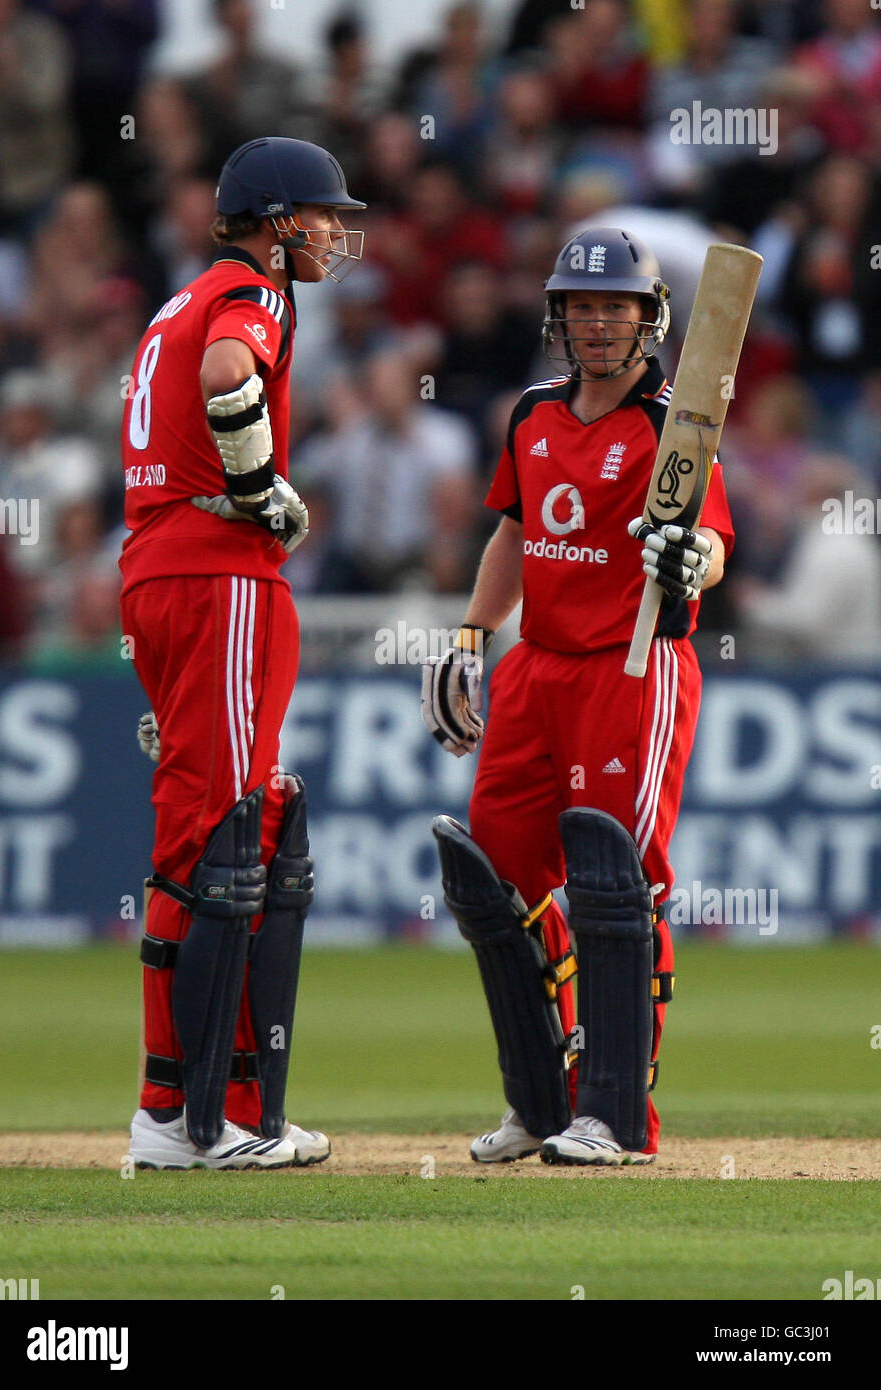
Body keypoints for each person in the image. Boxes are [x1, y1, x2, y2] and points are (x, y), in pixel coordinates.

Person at [422, 227, 734, 1166]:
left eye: (617, 308)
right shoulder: (530, 414)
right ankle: (542, 1098)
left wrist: (691, 560)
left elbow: (711, 542)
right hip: (537, 670)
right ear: (559, 318)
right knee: (499, 882)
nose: (597, 325)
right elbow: (516, 536)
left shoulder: (673, 423)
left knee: (617, 884)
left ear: (650, 319)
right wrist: (473, 634)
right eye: (581, 307)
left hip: (633, 665)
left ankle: (617, 1110)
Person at [121, 137, 366, 1169]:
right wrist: (261, 487)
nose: (330, 233)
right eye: (316, 215)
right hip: (218, 573)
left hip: (159, 570)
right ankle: (193, 1120)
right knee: (213, 837)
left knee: (210, 823)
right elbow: (231, 377)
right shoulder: (249, 297)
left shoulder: (175, 299)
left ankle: (178, 1107)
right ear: (273, 221)